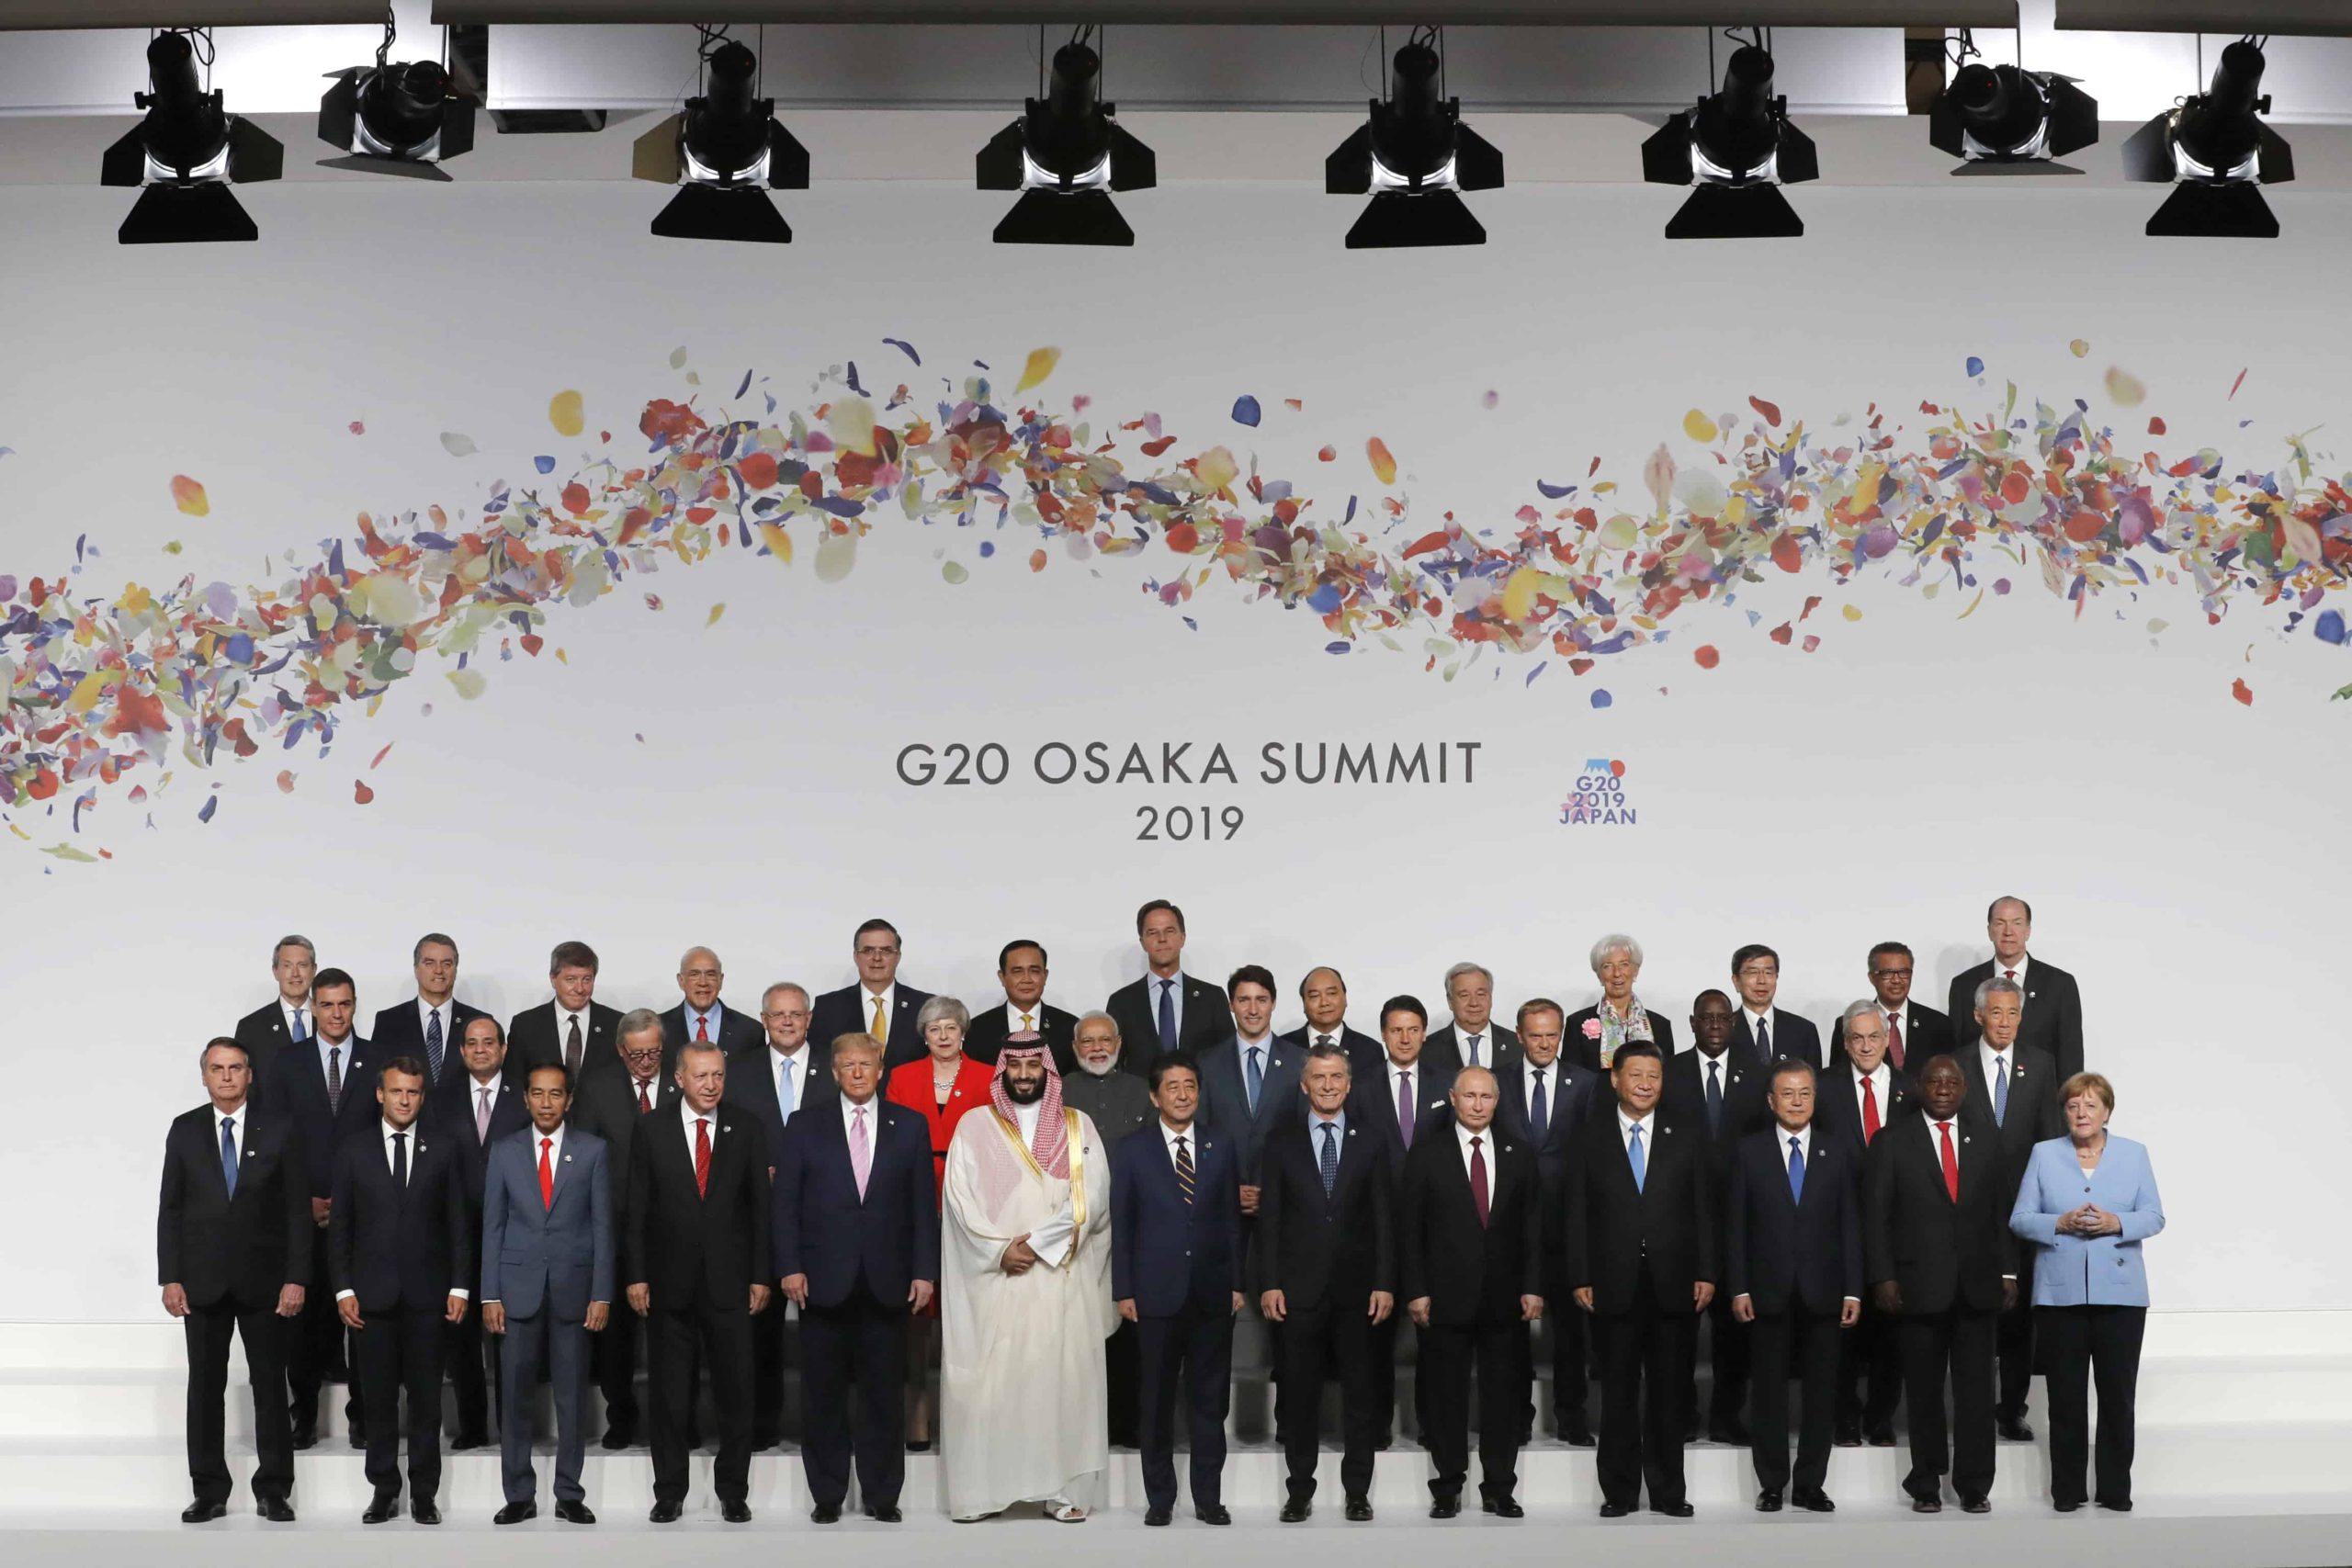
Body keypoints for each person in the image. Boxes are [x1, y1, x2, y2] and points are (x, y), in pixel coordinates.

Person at [938, 1039, 1114, 1521]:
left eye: (1033, 1064)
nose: (1023, 1073)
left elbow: (1091, 1197)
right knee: (994, 1388)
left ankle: (1064, 1493)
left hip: (1059, 1280)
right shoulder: (974, 1125)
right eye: (1014, 1065)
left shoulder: (1078, 1126)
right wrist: (999, 1250)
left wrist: (1034, 1246)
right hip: (997, 1282)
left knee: (1062, 1385)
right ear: (1002, 1072)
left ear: (1047, 1071)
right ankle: (983, 1494)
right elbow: (959, 1201)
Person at [775, 1033, 941, 1524]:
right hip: (821, 1282)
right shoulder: (804, 1125)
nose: (857, 1073)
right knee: (822, 1397)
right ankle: (827, 1495)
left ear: (880, 1069)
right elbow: (785, 1204)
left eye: (865, 1064)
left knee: (883, 1397)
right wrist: (790, 1266)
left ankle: (882, 1495)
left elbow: (922, 1208)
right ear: (834, 1072)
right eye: (847, 1065)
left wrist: (924, 1272)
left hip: (888, 1283)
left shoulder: (909, 1125)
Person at [1562, 1040, 1715, 1518]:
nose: (1645, 1084)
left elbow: (1705, 1209)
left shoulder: (1687, 1133)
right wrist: (1580, 1274)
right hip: (1612, 1282)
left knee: (1670, 1393)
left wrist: (1708, 1271)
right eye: (1636, 1075)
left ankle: (1669, 1492)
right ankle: (1620, 1491)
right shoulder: (1588, 1136)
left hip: (1676, 1282)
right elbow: (1575, 1213)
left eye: (1654, 1075)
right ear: (1615, 1079)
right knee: (1619, 1393)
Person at [159, 1038, 307, 1523]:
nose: (226, 1076)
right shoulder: (185, 1129)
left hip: (266, 1283)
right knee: (204, 1388)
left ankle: (274, 1490)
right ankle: (208, 1491)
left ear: (250, 1074)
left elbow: (296, 1211)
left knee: (270, 1387)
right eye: (217, 1068)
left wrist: (296, 1277)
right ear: (204, 1076)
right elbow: (171, 1209)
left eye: (236, 1068)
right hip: (200, 1283)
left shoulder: (280, 1127)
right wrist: (170, 1277)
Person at [626, 1041, 773, 1524]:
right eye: (701, 1076)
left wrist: (760, 1275)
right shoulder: (651, 1128)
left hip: (731, 1283)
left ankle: (733, 1491)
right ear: (679, 1079)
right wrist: (637, 1275)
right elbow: (637, 1207)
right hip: (668, 1283)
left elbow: (760, 1209)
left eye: (718, 1075)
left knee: (736, 1392)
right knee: (669, 1395)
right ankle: (669, 1492)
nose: (711, 1085)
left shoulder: (747, 1126)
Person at [1864, 1053, 2018, 1514]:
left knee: (1976, 1393)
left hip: (1978, 1286)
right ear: (1919, 1087)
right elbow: (1876, 1217)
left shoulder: (1987, 1138)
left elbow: (2001, 1211)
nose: (1944, 1088)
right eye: (1935, 1081)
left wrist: (2009, 1271)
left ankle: (1974, 1485)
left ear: (1964, 1089)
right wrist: (1883, 1276)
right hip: (1917, 1286)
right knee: (1925, 1392)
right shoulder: (1892, 1140)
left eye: (1952, 1082)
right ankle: (1926, 1483)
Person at [2008, 1073, 2165, 1514]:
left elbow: (2154, 1216)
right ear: (2065, 1112)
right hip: (2060, 1296)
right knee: (2066, 1399)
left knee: (2117, 1397)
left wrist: (2118, 1223)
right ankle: (2068, 1490)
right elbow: (2020, 1218)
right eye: (2074, 1105)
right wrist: (2058, 1223)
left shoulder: (2134, 1154)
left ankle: (2114, 1490)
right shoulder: (2044, 1154)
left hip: (2122, 1296)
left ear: (2107, 1111)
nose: (2082, 1113)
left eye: (2091, 1105)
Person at [328, 1056, 470, 1525]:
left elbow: (457, 1224)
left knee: (427, 1403)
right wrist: (343, 1289)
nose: (404, 1100)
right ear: (380, 1094)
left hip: (430, 1298)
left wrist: (460, 1286)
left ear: (422, 1097)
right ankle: (384, 1490)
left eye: (412, 1092)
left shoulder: (444, 1148)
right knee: (377, 1401)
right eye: (396, 1091)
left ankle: (424, 1494)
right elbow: (341, 1227)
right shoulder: (354, 1149)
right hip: (370, 1299)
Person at [1398, 1066, 1543, 1518]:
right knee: (1446, 1398)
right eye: (1470, 1096)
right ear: (1453, 1098)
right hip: (1444, 1297)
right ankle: (1447, 1487)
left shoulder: (1520, 1153)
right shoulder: (1427, 1153)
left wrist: (1533, 1287)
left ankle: (1499, 1487)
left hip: (1505, 1297)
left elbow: (1533, 1229)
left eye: (1486, 1097)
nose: (1478, 1105)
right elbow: (1410, 1229)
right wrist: (1416, 1290)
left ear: (1497, 1102)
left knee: (1503, 1398)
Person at [1259, 1042, 1393, 1522]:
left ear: (1349, 1084)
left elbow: (1384, 1217)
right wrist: (1270, 1282)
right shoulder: (1281, 1142)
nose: (1329, 1085)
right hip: (1298, 1292)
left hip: (1359, 1292)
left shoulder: (1372, 1140)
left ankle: (1357, 1492)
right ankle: (1299, 1492)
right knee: (1299, 1398)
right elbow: (1270, 1219)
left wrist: (1384, 1282)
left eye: (1337, 1077)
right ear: (1304, 1085)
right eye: (1320, 1077)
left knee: (1361, 1397)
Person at [1113, 1054, 1244, 1526]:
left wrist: (1237, 1282)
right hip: (1154, 1294)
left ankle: (1209, 1498)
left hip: (1212, 1293)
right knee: (1156, 1402)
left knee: (1210, 1402)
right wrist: (1124, 1289)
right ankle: (1160, 1499)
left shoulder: (1220, 1144)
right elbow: (1122, 1225)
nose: (1183, 1095)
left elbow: (1231, 1220)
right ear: (1155, 1096)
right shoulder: (1132, 1150)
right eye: (1172, 1087)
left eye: (1190, 1086)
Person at [1725, 1060, 1862, 1514]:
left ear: (1815, 1098)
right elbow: (1735, 1225)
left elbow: (1850, 1224)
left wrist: (1853, 1290)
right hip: (1766, 1291)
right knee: (1768, 1394)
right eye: (1787, 1093)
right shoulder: (1748, 1151)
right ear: (1771, 1101)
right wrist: (1739, 1287)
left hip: (1826, 1291)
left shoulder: (1836, 1151)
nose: (1797, 1101)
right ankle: (1772, 1484)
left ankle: (1809, 1484)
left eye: (1805, 1093)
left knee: (1821, 1394)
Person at [481, 1061, 612, 1527]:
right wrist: (489, 1295)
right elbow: (493, 1225)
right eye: (537, 1093)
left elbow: (602, 1226)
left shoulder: (593, 1151)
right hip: (516, 1291)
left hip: (574, 1292)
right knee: (515, 1397)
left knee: (571, 1398)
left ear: (569, 1100)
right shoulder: (505, 1151)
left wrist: (602, 1293)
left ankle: (569, 1493)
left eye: (555, 1094)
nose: (546, 1102)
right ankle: (519, 1494)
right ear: (525, 1099)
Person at [255, 964, 374, 1450]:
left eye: (344, 1004)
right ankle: (302, 1416)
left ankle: (363, 1418)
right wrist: (301, 1200)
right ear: (314, 1007)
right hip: (302, 1212)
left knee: (363, 1322)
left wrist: (351, 1200)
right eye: (326, 1005)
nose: (336, 1014)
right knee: (301, 1324)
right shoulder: (287, 1062)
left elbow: (385, 1136)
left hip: (365, 1214)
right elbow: (273, 1139)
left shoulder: (378, 1059)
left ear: (354, 1005)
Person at [885, 997, 996, 1451]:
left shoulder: (988, 1075)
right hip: (913, 1196)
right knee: (917, 1314)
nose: (944, 1036)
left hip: (972, 1196)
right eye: (935, 1029)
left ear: (963, 1032)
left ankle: (966, 1419)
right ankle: (917, 1414)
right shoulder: (902, 1076)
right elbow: (890, 1138)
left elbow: (999, 1141)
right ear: (924, 1036)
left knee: (966, 1313)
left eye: (951, 1027)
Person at [1344, 994, 1453, 1445]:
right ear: (1383, 1034)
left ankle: (1432, 1424)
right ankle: (1376, 1426)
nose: (1405, 1038)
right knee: (1376, 1332)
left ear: (1425, 1033)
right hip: (1377, 1225)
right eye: (1396, 1030)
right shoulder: (1360, 1085)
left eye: (1413, 1029)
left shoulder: (1447, 1082)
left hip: (1436, 1227)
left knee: (1435, 1334)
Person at [1662, 987, 1769, 1444]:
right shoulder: (1669, 1073)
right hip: (1680, 1218)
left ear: (1734, 1023)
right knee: (1680, 1326)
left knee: (1733, 1327)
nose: (1715, 1026)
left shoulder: (1758, 1074)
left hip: (1740, 1221)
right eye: (1706, 1019)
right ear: (1692, 1023)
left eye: (1723, 1018)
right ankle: (1682, 1413)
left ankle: (1727, 1415)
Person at [729, 981, 831, 1450]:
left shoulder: (836, 1065)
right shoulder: (739, 1071)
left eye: (795, 1014)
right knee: (761, 1333)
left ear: (809, 1019)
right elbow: (729, 1137)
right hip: (758, 1220)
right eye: (778, 1014)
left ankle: (821, 1431)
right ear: (764, 1021)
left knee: (823, 1335)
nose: (787, 1022)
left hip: (824, 1220)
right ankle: (762, 1427)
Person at [1963, 974, 2065, 1442]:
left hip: (2025, 1206)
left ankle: (2011, 1408)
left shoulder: (2041, 1064)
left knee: (2020, 1315)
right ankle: (1972, 1406)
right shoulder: (1955, 1064)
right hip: (1970, 1208)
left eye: (2013, 1013)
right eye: (1996, 1012)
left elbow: (2049, 1137)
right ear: (1979, 1015)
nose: (2004, 1022)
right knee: (1974, 1312)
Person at [1494, 998, 1599, 1446]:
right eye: (1535, 1035)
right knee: (1510, 1327)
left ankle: (1571, 1417)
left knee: (1571, 1330)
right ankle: (1517, 1416)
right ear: (1519, 1035)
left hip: (1567, 1224)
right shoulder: (1496, 1081)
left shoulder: (1587, 1084)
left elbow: (1594, 1154)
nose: (1543, 1043)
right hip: (1509, 1225)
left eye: (1551, 1035)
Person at [568, 1008, 670, 1449]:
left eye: (654, 1053)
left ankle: (675, 1420)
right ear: (620, 1051)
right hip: (614, 1228)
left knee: (673, 1333)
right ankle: (622, 1417)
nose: (646, 1063)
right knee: (616, 1338)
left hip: (673, 1228)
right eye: (637, 1055)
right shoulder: (597, 1087)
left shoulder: (682, 1078)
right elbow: (583, 1157)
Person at [1815, 1000, 1913, 1447]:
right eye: (1857, 1038)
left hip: (1896, 1230)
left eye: (1875, 1036)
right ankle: (1845, 1417)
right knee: (1842, 1331)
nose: (1867, 1046)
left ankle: (1880, 1417)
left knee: (1891, 1331)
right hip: (1837, 1226)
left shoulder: (1911, 1088)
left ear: (1888, 1039)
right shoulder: (1823, 1086)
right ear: (1845, 1042)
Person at [1057, 1011, 1153, 1448]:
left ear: (1118, 1043)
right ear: (1075, 1048)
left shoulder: (1141, 1090)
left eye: (1105, 1040)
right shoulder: (1058, 1091)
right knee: (1078, 1329)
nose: (1097, 1048)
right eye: (1087, 1041)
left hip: (1133, 1229)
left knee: (1130, 1328)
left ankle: (1128, 1426)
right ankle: (1078, 1429)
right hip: (1072, 1232)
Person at [429, 1016, 525, 1450]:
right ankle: (472, 1426)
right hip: (456, 1231)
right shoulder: (440, 1098)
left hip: (515, 1228)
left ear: (503, 1049)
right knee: (461, 1330)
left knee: (510, 1331)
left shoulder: (525, 1095)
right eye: (472, 1043)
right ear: (462, 1051)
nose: (481, 1050)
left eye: (489, 1042)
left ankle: (511, 1426)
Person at [1197, 964, 1305, 1209]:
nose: (1253, 1010)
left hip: (1284, 1203)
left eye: (1261, 1000)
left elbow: (1305, 1137)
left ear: (1273, 1003)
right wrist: (1226, 1188)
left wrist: (1275, 1191)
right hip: (1222, 1203)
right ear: (1231, 1005)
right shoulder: (1207, 1063)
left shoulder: (1299, 1062)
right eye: (1244, 1000)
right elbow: (1200, 1134)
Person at [1947, 895, 2086, 1083]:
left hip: (2040, 1096)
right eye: (2000, 923)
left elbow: (2071, 1059)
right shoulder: (1964, 985)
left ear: (2028, 931)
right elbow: (1956, 1053)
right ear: (1989, 931)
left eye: (2017, 923)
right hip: (1978, 1097)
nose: (2008, 932)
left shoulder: (2060, 985)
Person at [1106, 899, 1232, 1074]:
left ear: (1182, 938)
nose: (1162, 939)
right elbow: (1113, 1065)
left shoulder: (1212, 997)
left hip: (1201, 1091)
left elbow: (1229, 1057)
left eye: (1169, 931)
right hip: (1141, 1091)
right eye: (1153, 933)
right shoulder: (1121, 1002)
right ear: (1143, 942)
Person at [810, 919, 935, 1070]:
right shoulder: (828, 1007)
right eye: (868, 951)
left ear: (898, 956)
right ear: (856, 956)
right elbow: (818, 1064)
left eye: (886, 951)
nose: (877, 958)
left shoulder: (926, 1006)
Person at [368, 932, 487, 1090]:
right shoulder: (389, 1021)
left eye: (446, 964)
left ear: (455, 970)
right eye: (430, 963)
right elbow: (378, 1080)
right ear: (416, 969)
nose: (439, 970)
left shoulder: (479, 1021)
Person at [511, 941, 624, 1084]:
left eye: (587, 979)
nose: (580, 989)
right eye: (571, 980)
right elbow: (514, 1082)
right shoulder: (525, 1025)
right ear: (553, 979)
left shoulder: (617, 1024)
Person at [1565, 934, 1678, 1076]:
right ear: (1599, 975)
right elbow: (1571, 1079)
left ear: (1636, 971)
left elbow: (1667, 1078)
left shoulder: (1660, 1025)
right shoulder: (1576, 1023)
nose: (1617, 973)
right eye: (1607, 966)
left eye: (1624, 964)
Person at [1828, 942, 1949, 1072]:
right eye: (1887, 973)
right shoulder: (1849, 1023)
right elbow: (1838, 1076)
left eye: (1903, 972)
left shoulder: (1938, 1024)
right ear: (1872, 978)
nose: (1896, 980)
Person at [965, 939, 1080, 1070]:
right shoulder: (977, 1029)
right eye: (1017, 971)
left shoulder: (1071, 1027)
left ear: (1045, 976)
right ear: (1002, 977)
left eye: (1034, 971)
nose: (1027, 979)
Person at [232, 934, 316, 1090]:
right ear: (275, 971)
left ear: (314, 970)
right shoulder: (251, 1027)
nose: (295, 973)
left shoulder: (333, 1020)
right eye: (287, 966)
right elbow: (244, 1086)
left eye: (302, 965)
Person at [660, 945, 763, 1070]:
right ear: (681, 981)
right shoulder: (659, 1028)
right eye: (694, 974)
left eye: (710, 974)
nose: (703, 982)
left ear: (721, 980)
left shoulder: (751, 1031)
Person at [1278, 966, 1384, 1081]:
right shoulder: (1282, 1047)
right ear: (1304, 1003)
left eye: (1332, 993)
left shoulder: (1370, 1050)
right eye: (1314, 996)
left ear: (1345, 998)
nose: (1324, 1003)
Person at [1730, 944, 1823, 1070]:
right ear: (1736, 981)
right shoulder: (1725, 1029)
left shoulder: (1803, 1031)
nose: (1762, 980)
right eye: (1753, 972)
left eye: (1768, 973)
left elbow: (1813, 1080)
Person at [1423, 962, 1520, 1077]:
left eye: (1481, 994)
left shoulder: (1517, 1045)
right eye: (1464, 995)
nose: (1474, 1003)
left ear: (1490, 998)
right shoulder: (1426, 1049)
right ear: (1450, 1001)